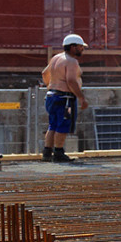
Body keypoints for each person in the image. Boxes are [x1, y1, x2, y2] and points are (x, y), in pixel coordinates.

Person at [41, 33, 86, 164]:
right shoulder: (71, 61)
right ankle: (59, 153)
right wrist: (81, 97)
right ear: (73, 47)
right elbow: (71, 80)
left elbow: (44, 73)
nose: (82, 49)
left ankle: (47, 152)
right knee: (63, 125)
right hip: (65, 99)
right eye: (80, 46)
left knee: (53, 124)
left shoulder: (56, 58)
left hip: (52, 96)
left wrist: (50, 86)